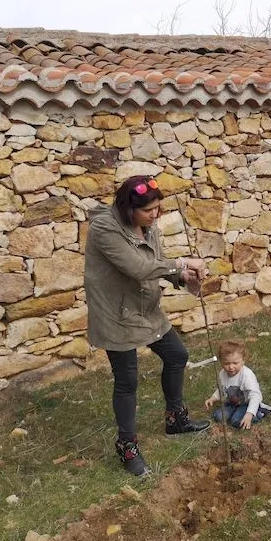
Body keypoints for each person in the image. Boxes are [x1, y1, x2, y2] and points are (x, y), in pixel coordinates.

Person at [84, 175, 212, 477]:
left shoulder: (146, 225)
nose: (155, 215)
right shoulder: (104, 229)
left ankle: (175, 420)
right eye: (148, 210)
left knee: (177, 355)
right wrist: (183, 263)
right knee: (127, 380)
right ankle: (127, 447)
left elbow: (156, 261)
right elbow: (138, 267)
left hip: (144, 307)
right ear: (128, 208)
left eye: (158, 208)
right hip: (115, 313)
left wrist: (181, 277)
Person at [204, 340, 271, 430]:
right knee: (218, 416)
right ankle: (235, 412)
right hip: (231, 403)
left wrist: (249, 414)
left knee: (236, 421)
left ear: (243, 360)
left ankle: (259, 412)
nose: (231, 367)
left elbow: (255, 395)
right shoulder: (222, 374)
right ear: (221, 362)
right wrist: (213, 398)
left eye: (235, 363)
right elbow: (221, 389)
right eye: (226, 363)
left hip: (247, 404)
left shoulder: (246, 375)